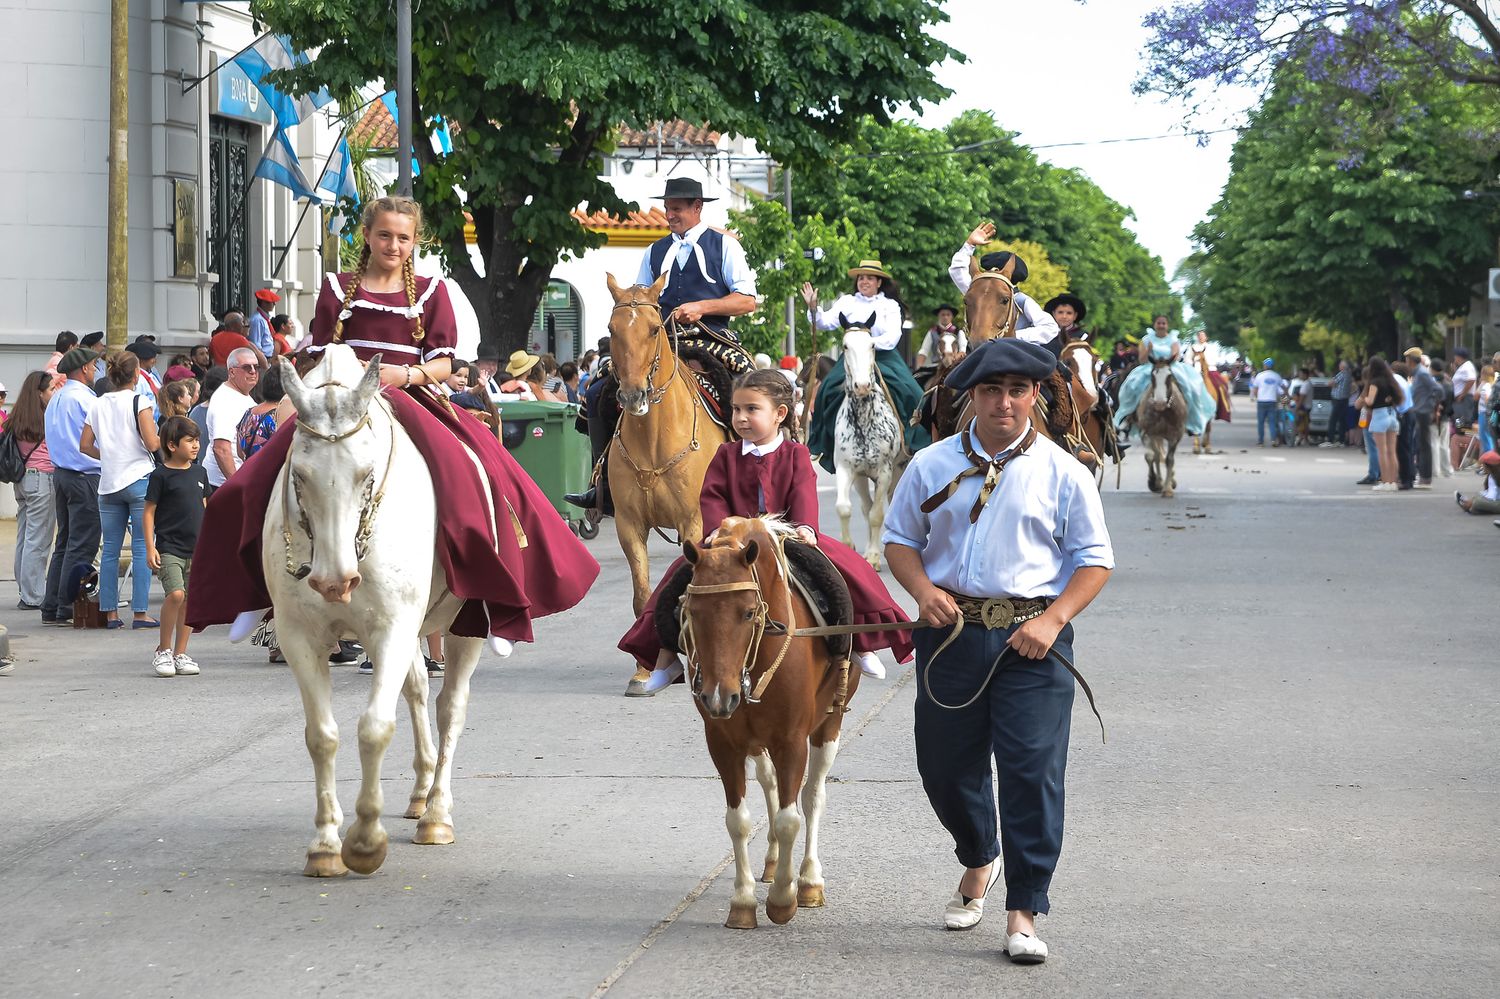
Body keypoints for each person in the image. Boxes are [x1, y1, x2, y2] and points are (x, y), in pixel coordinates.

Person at [185, 195, 598, 650]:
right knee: (251, 481)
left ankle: (494, 600)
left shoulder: (429, 291)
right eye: (384, 235)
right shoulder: (335, 287)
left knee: (476, 472)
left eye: (403, 237)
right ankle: (254, 591)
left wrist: (407, 374)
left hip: (409, 395)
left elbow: (442, 364)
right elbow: (320, 352)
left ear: (414, 241)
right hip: (340, 401)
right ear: (367, 235)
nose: (393, 245)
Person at [882, 338, 1113, 966]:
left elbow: (1094, 561)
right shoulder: (929, 464)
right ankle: (978, 852)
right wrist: (923, 591)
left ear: (1034, 395)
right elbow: (901, 539)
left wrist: (1055, 619)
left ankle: (1025, 911)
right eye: (991, 391)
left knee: (1031, 772)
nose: (1004, 402)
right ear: (973, 397)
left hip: (1033, 642)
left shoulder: (1064, 470)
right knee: (944, 768)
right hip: (951, 633)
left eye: (1016, 391)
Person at [618, 369, 914, 695]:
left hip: (785, 537)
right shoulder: (726, 454)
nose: (741, 418)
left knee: (841, 572)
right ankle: (667, 655)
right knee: (677, 579)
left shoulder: (795, 454)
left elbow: (802, 492)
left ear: (780, 415)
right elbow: (713, 495)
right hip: (731, 540)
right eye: (736, 409)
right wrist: (718, 530)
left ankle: (855, 641)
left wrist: (804, 527)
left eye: (751, 409)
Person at [566, 178, 759, 515]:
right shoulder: (654, 251)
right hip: (660, 340)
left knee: (748, 386)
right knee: (599, 390)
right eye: (668, 208)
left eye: (677, 208)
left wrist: (702, 308)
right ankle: (603, 483)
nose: (670, 214)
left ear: (697, 207)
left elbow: (746, 301)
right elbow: (642, 298)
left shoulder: (725, 247)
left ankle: (749, 480)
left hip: (709, 337)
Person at [802, 258, 927, 470]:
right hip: (852, 358)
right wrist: (813, 308)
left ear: (879, 282)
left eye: (870, 278)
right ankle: (825, 442)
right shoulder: (847, 302)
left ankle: (915, 443)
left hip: (883, 355)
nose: (864, 281)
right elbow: (824, 322)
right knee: (827, 390)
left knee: (912, 392)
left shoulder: (889, 305)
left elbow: (892, 336)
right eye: (861, 278)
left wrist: (866, 343)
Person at [79, 351, 161, 629]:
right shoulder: (141, 401)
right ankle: (140, 613)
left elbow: (85, 445)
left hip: (108, 483)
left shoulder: (98, 403)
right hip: (138, 479)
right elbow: (152, 443)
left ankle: (111, 613)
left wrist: (111, 455)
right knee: (141, 547)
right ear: (136, 375)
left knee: (111, 550)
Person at [40, 348, 103, 626]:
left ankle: (52, 604)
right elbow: (98, 437)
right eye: (93, 366)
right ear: (85, 368)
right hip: (83, 476)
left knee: (64, 542)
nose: (95, 371)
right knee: (82, 543)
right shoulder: (83, 398)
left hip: (64, 474)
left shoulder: (58, 397)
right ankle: (67, 604)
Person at [144, 417, 209, 677]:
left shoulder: (200, 472)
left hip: (197, 549)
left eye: (197, 441)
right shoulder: (160, 475)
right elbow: (149, 513)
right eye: (190, 441)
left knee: (190, 602)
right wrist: (150, 547)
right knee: (176, 595)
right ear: (172, 444)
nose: (196, 446)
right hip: (170, 547)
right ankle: (164, 650)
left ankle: (181, 653)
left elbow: (206, 508)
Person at [947, 223, 1060, 348]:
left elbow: (1050, 328)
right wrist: (969, 245)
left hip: (1014, 354)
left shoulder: (1021, 300)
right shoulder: (978, 293)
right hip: (976, 354)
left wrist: (1013, 336)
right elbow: (957, 270)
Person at [1111, 316, 1215, 437]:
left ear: (1167, 325)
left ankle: (1191, 419)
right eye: (1159, 323)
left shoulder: (1173, 339)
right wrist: (1148, 350)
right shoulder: (1146, 339)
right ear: (1155, 325)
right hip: (1149, 367)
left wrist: (1171, 355)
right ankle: (1129, 417)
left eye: (1163, 323)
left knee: (1191, 387)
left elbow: (1175, 358)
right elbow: (1142, 360)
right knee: (1131, 386)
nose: (1161, 325)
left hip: (1170, 367)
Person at [8, 371, 56, 611]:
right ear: (39, 393)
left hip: (23, 479)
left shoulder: (18, 417)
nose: (53, 393)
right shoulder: (45, 419)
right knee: (38, 540)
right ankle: (33, 595)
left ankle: (26, 590)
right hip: (42, 479)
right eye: (50, 390)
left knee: (25, 537)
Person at [204, 348, 259, 492]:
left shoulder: (240, 394)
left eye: (256, 367)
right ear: (232, 372)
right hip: (223, 484)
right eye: (247, 367)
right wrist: (236, 485)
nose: (253, 371)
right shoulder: (226, 400)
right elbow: (221, 448)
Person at [1359, 357, 1404, 491]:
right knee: (1392, 452)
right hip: (1392, 415)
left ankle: (1385, 482)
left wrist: (1364, 399)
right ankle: (1393, 482)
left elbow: (1370, 401)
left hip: (1380, 416)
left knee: (1382, 452)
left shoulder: (1374, 383)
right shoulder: (1391, 381)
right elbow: (1399, 399)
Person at [236, 363, 290, 462]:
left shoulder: (248, 413)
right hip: (271, 475)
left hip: (249, 472)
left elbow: (240, 452)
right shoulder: (279, 417)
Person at [1403, 347, 1440, 488]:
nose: (1406, 364)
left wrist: (1431, 407)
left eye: (1406, 361)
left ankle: (1426, 479)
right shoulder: (1419, 373)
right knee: (1421, 445)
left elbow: (1438, 390)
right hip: (1420, 412)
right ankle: (1424, 477)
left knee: (1424, 446)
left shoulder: (1422, 374)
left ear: (1411, 361)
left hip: (1423, 412)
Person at [1250, 358, 1287, 446]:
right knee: (1272, 422)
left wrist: (1257, 397)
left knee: (1261, 422)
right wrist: (1286, 396)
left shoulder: (1260, 375)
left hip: (1261, 401)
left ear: (1266, 366)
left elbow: (1255, 389)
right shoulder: (1276, 376)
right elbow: (1284, 387)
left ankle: (1261, 442)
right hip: (1272, 401)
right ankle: (1273, 440)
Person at [1455, 449, 1500, 515]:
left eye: (1483, 465)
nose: (1482, 467)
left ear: (1489, 466)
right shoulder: (1490, 476)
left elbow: (1494, 496)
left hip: (1497, 502)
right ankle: (1470, 506)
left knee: (1477, 502)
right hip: (1493, 501)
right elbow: (1489, 493)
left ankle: (1469, 506)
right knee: (1477, 497)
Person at [127, 338, 162, 420]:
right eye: (151, 358)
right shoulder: (138, 379)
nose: (154, 361)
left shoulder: (151, 376)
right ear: (142, 359)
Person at [1325, 359, 1353, 447]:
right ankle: (1341, 440)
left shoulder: (1341, 373)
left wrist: (1334, 384)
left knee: (1333, 420)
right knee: (1342, 420)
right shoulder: (1349, 375)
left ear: (1342, 366)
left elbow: (1330, 383)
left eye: (1340, 365)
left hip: (1338, 399)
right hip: (1345, 400)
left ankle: (1330, 440)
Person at [248, 289, 279, 358]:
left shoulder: (263, 318)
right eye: (272, 302)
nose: (274, 304)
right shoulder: (257, 320)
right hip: (263, 357)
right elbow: (255, 343)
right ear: (264, 303)